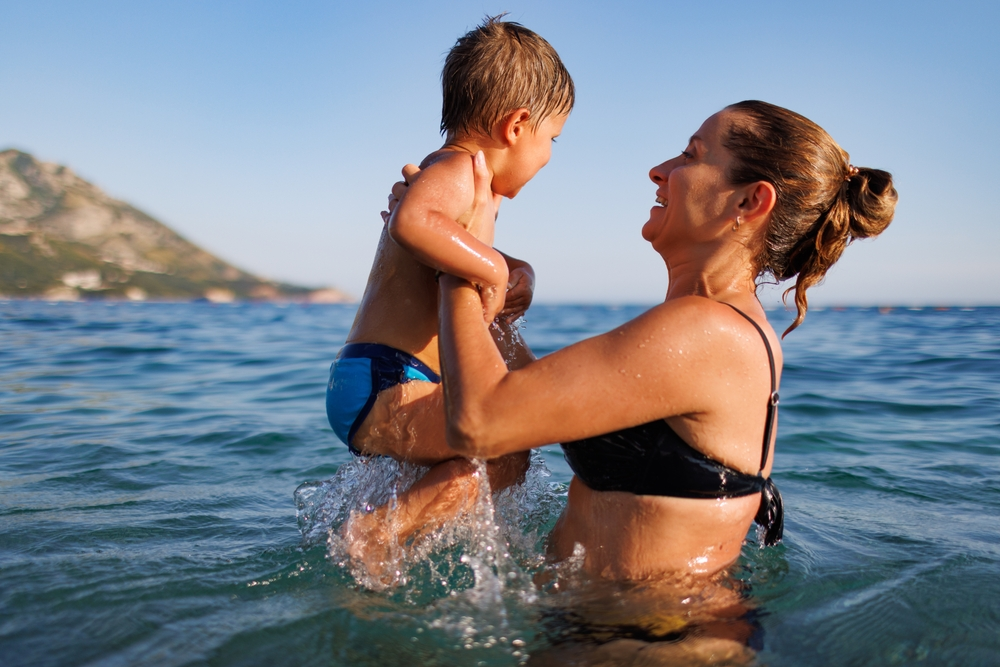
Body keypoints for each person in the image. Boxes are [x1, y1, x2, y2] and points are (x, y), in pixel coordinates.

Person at [436, 100, 897, 586]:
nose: (659, 171)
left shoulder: (706, 331)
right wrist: (497, 300)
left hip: (647, 644)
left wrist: (457, 256)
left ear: (749, 202)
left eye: (691, 156)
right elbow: (523, 401)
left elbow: (479, 421)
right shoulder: (711, 325)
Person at [325, 16, 574, 567]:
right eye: (552, 139)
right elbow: (412, 222)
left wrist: (515, 272)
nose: (550, 155)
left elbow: (441, 245)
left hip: (387, 377)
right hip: (387, 378)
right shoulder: (456, 167)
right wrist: (491, 271)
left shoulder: (466, 182)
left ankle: (415, 532)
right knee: (505, 441)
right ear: (517, 125)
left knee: (505, 455)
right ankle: (372, 536)